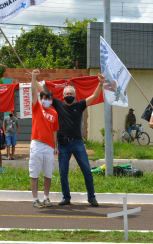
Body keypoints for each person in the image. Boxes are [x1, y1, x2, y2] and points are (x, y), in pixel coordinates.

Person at [35, 72, 105, 207]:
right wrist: (34, 79)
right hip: (63, 144)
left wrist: (100, 83)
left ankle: (91, 197)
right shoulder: (58, 104)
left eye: (71, 94)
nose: (69, 96)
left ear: (75, 96)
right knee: (63, 173)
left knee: (87, 171)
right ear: (62, 96)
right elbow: (42, 90)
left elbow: (95, 96)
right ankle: (66, 197)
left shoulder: (80, 105)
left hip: (78, 143)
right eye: (66, 94)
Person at [30, 70, 59, 208]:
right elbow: (33, 91)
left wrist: (55, 146)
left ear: (52, 100)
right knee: (34, 173)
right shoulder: (37, 108)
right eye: (44, 98)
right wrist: (34, 77)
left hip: (49, 147)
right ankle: (35, 199)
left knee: (48, 174)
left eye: (49, 99)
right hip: (36, 144)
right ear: (40, 99)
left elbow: (55, 131)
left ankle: (46, 198)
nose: (46, 101)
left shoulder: (54, 112)